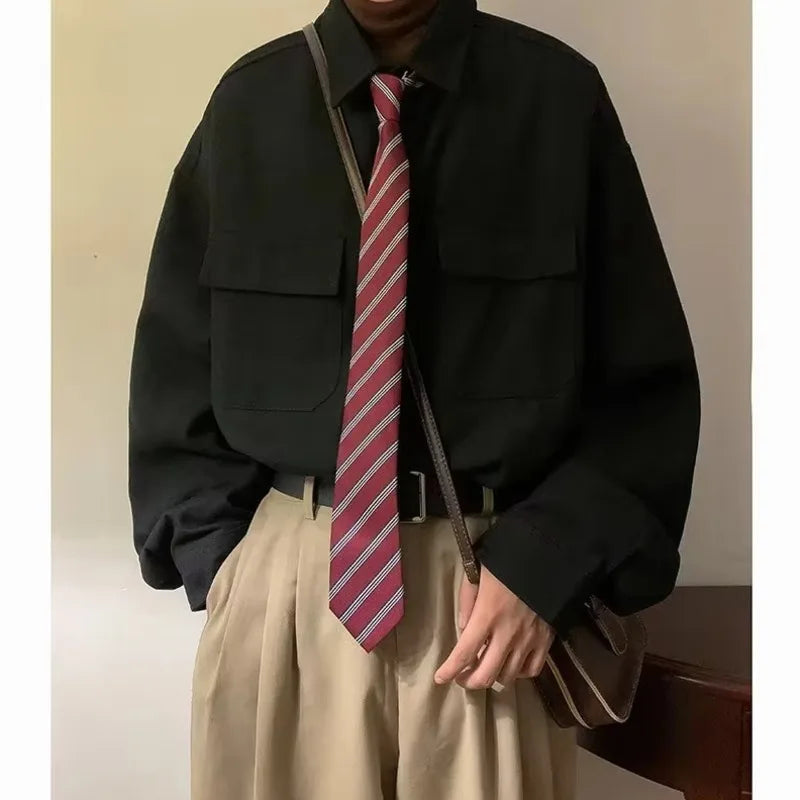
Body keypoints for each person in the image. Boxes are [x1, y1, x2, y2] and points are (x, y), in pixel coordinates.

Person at [128, 0, 701, 798]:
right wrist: (227, 570)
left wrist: (548, 562)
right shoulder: (250, 104)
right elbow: (175, 368)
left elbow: (645, 395)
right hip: (289, 597)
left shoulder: (557, 100)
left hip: (492, 600)